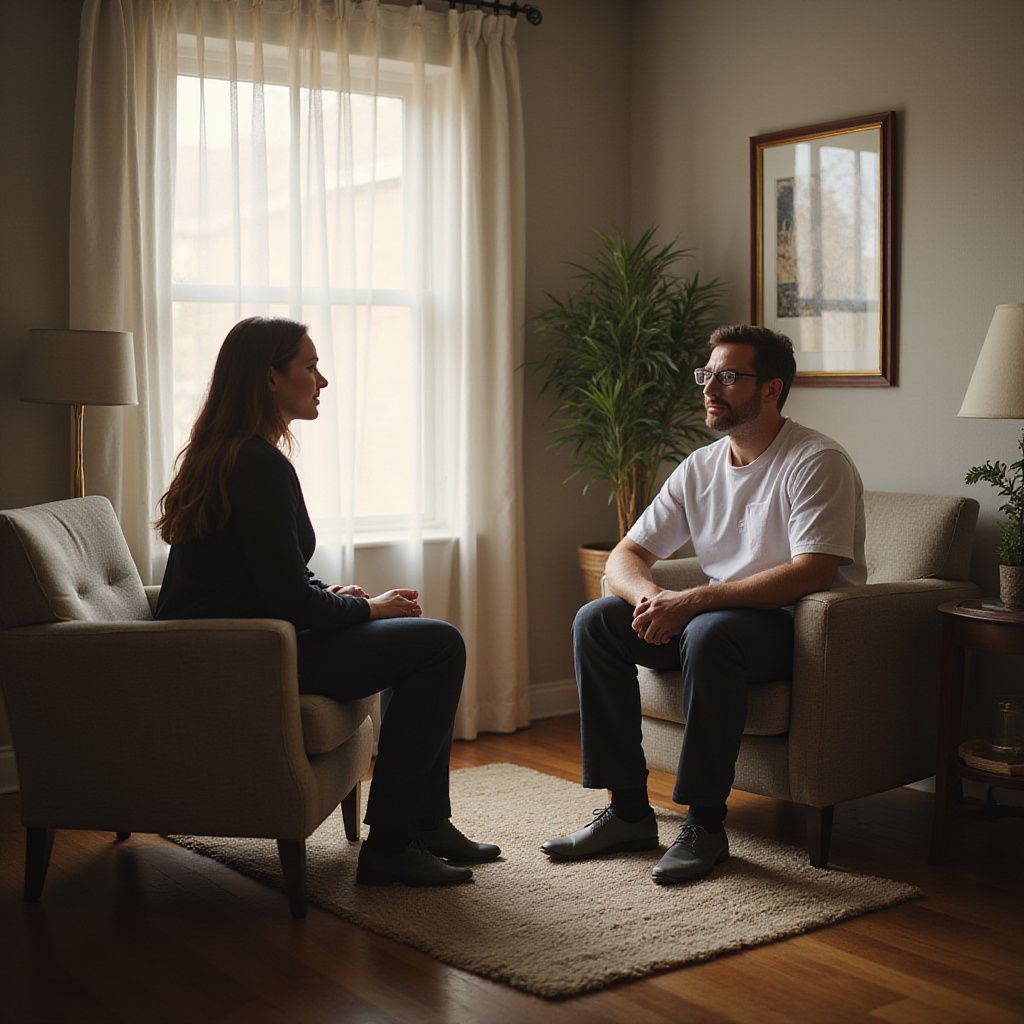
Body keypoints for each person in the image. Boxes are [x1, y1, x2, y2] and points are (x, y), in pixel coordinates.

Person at [155, 316, 499, 887]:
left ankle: (426, 822)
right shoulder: (257, 464)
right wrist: (369, 608)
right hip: (245, 659)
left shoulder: (226, 454)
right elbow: (284, 598)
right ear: (270, 378)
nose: (323, 380)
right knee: (438, 644)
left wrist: (327, 593)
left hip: (240, 644)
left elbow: (263, 582)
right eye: (310, 366)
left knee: (424, 644)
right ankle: (392, 844)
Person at [542, 324, 865, 884]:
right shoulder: (701, 466)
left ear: (771, 390)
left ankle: (706, 825)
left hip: (793, 628)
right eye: (708, 374)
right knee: (597, 619)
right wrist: (651, 599)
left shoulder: (815, 460)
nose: (710, 388)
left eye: (728, 376)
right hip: (705, 622)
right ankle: (628, 812)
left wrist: (690, 602)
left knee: (711, 631)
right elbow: (627, 552)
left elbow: (812, 571)